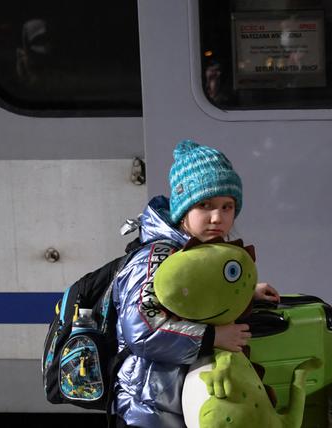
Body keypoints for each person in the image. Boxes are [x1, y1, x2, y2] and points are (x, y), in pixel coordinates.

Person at [112, 140, 280, 428]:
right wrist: (211, 337)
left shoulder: (198, 252)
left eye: (227, 207)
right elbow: (141, 327)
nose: (218, 217)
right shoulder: (157, 257)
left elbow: (191, 298)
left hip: (175, 400)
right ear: (183, 209)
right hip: (148, 406)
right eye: (205, 205)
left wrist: (247, 293)